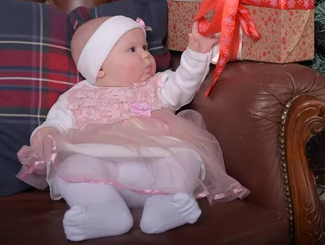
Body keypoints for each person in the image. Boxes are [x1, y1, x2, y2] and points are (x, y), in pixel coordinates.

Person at [16, 15, 249, 242]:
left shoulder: (156, 85)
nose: (146, 56)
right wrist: (46, 133)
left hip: (153, 167)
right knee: (69, 165)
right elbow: (56, 121)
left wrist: (197, 53)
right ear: (99, 68)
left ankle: (165, 204)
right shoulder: (76, 97)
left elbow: (184, 84)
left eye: (145, 47)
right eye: (133, 50)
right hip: (102, 172)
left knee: (186, 156)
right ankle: (102, 210)